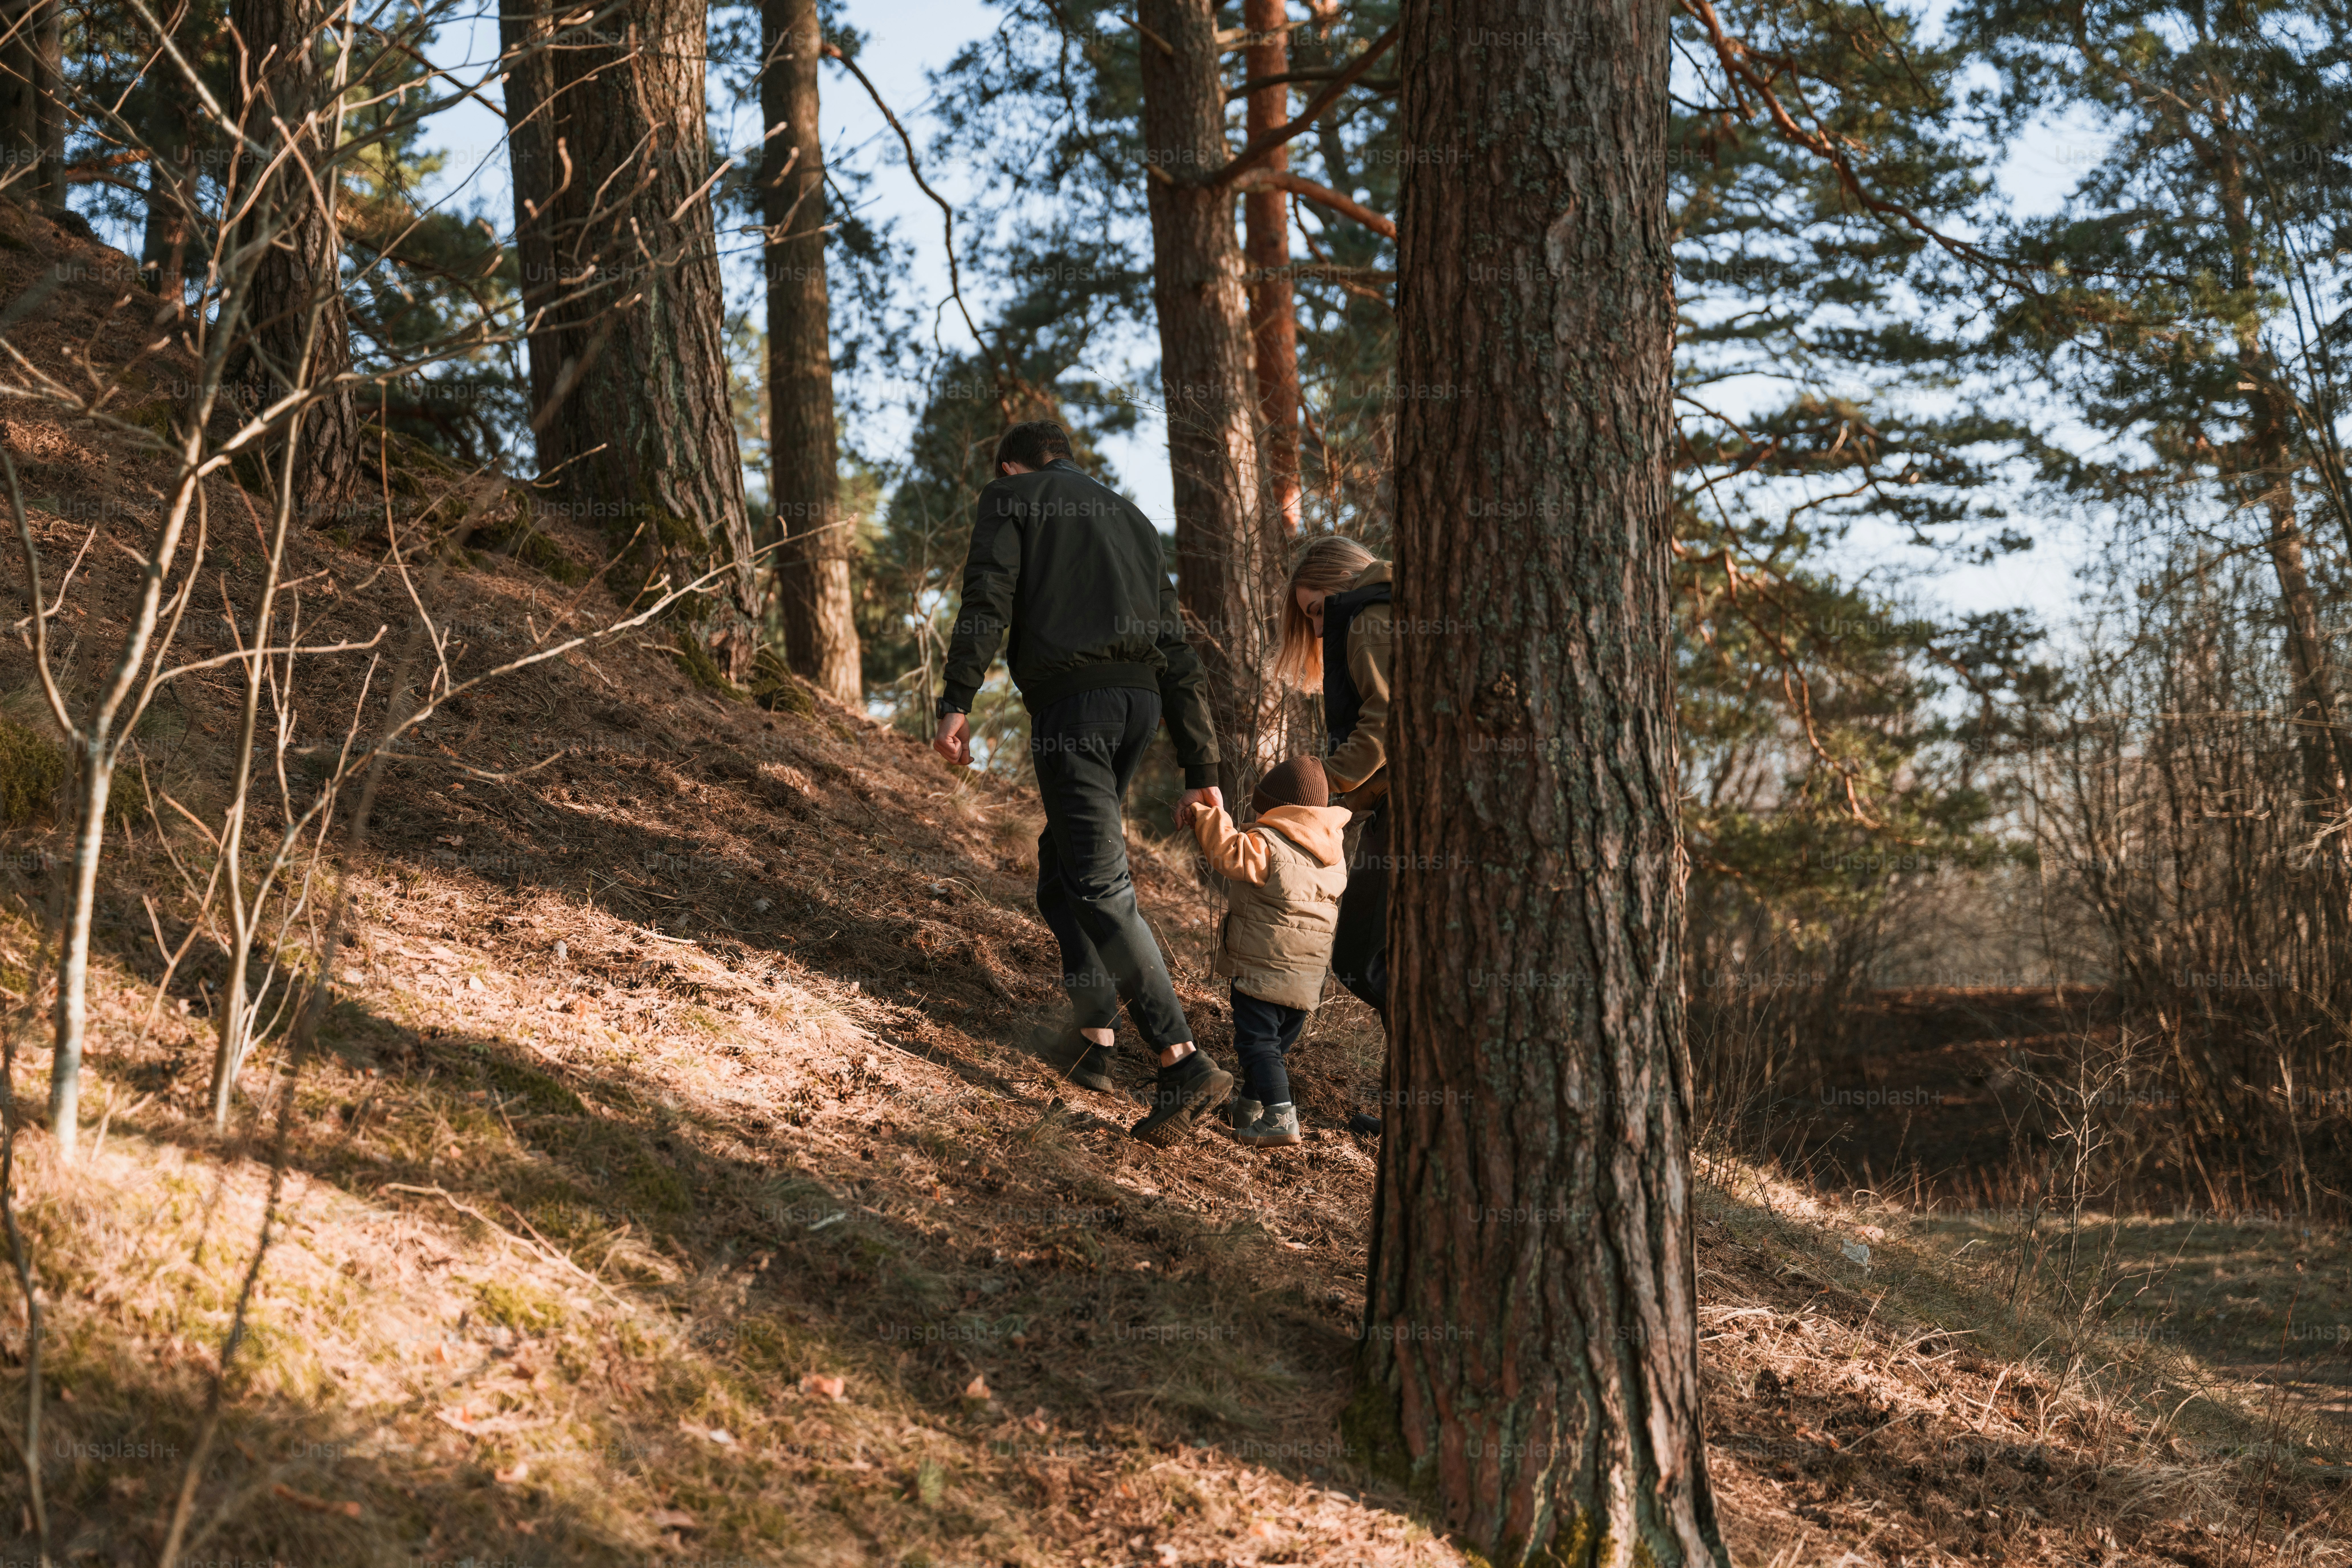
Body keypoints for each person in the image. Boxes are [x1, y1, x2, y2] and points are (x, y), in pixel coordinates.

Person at [934, 419, 1234, 1147]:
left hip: (1075, 707)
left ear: (1011, 466)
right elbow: (1177, 647)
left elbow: (987, 598)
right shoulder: (1131, 517)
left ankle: (1182, 1060)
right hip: (1140, 704)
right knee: (1062, 874)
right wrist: (1203, 768)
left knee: (1098, 886)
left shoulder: (1011, 498)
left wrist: (956, 700)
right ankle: (1091, 1035)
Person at [1274, 536, 1391, 1134]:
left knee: (1359, 959)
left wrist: (1325, 781)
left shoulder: (1368, 616)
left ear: (1343, 583)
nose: (1319, 631)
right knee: (1394, 960)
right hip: (1394, 812)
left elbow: (1384, 720)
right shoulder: (1379, 610)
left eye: (1319, 611)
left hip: (1408, 819)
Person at [1179, 756, 1351, 1148]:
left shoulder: (1268, 845)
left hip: (1263, 969)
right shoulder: (1333, 856)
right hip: (1308, 981)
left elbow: (1227, 853)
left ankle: (1281, 1117)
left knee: (1257, 1044)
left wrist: (1207, 815)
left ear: (1276, 809)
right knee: (1272, 1047)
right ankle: (1250, 1109)